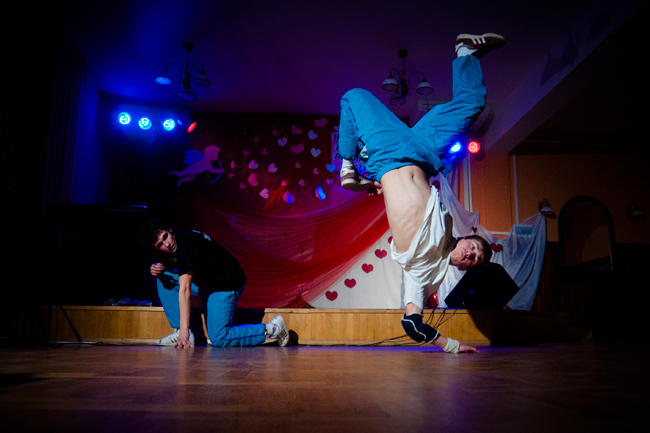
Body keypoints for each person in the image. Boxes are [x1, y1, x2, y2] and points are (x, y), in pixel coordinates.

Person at [338, 33, 504, 353]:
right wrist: (372, 186)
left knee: (354, 96)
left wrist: (451, 345)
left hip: (388, 153)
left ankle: (347, 166)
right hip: (424, 153)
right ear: (466, 240)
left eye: (474, 260)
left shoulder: (424, 275)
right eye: (474, 249)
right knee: (472, 105)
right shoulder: (448, 229)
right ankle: (466, 52)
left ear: (464, 268)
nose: (471, 255)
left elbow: (412, 325)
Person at [142, 220, 290, 348]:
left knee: (219, 338)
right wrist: (157, 268)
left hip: (225, 286)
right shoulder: (168, 248)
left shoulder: (186, 242)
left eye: (165, 237)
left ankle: (273, 328)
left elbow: (185, 288)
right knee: (164, 278)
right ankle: (178, 331)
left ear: (169, 230)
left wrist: (185, 330)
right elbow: (171, 267)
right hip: (206, 283)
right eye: (160, 244)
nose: (167, 244)